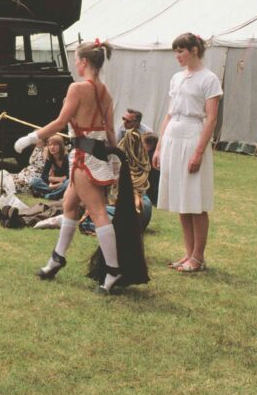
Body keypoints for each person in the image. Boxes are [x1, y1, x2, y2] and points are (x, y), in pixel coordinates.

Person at [14, 40, 127, 294]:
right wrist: (115, 160)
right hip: (97, 155)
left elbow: (61, 121)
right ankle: (56, 258)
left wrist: (32, 137)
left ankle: (113, 271)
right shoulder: (105, 91)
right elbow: (109, 130)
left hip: (83, 158)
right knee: (69, 205)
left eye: (76, 59)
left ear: (84, 62)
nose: (75, 64)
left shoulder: (77, 88)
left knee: (97, 212)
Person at [152, 33, 222, 273]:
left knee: (195, 200)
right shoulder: (176, 78)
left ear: (194, 50)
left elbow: (211, 118)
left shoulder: (209, 78)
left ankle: (198, 257)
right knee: (182, 199)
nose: (177, 56)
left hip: (193, 135)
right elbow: (170, 113)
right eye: (176, 51)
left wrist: (199, 152)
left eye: (181, 51)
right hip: (174, 135)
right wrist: (160, 145)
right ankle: (188, 253)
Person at [29, 134, 69, 200]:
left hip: (64, 184)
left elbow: (69, 177)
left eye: (55, 145)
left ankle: (47, 195)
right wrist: (56, 180)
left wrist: (53, 185)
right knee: (34, 181)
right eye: (50, 145)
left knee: (69, 183)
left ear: (61, 146)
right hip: (56, 184)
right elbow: (44, 176)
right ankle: (56, 193)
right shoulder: (50, 158)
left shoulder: (67, 158)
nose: (52, 147)